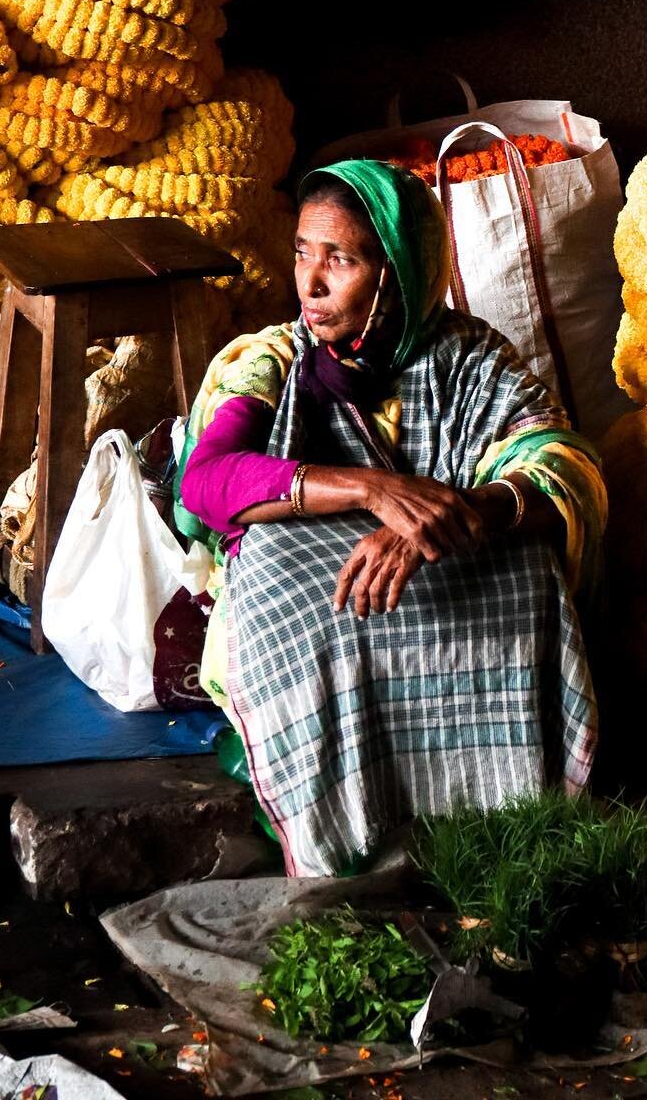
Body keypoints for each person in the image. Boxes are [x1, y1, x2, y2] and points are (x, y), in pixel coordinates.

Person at [176, 158, 606, 878]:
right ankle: (340, 844)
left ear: (399, 272)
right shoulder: (276, 362)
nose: (310, 284)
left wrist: (462, 509)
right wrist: (372, 491)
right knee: (277, 577)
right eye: (302, 254)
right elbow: (208, 480)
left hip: (431, 566)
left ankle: (500, 827)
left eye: (338, 260)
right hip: (316, 570)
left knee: (527, 566)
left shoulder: (470, 361)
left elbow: (564, 464)